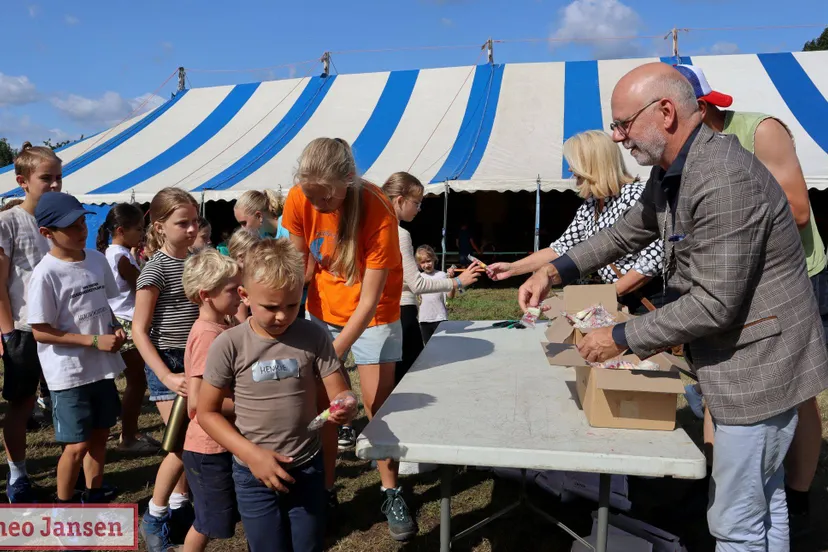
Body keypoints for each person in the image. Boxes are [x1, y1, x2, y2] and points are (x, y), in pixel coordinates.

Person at [519, 63, 828, 551]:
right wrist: (554, 269)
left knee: (734, 521)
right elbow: (624, 233)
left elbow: (713, 305)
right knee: (762, 503)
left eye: (623, 124)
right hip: (749, 359)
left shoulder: (722, 178)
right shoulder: (675, 169)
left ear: (665, 112)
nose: (618, 138)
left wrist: (619, 337)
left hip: (760, 367)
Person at [676, 63, 828, 535]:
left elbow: (799, 212)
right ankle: (740, 488)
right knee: (721, 382)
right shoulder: (688, 156)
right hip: (739, 280)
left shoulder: (760, 132)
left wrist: (726, 219)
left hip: (792, 280)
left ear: (696, 110)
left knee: (794, 393)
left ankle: (799, 494)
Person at [282, 138, 417, 541]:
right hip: (323, 311)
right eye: (311, 196)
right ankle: (325, 492)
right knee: (326, 408)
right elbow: (298, 268)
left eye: (326, 197)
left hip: (373, 315)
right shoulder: (298, 198)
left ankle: (391, 490)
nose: (318, 205)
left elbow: (370, 299)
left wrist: (329, 355)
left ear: (348, 180)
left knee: (378, 408)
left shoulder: (377, 208)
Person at [197, 238, 357, 552]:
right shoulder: (229, 344)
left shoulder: (314, 336)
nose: (282, 316)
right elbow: (206, 412)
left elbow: (338, 390)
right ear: (244, 295)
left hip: (307, 466)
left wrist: (345, 404)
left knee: (308, 545)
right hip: (253, 473)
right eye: (270, 307)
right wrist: (252, 455)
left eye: (292, 305)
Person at [487, 130, 666, 313]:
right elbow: (561, 248)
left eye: (573, 163)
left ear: (592, 164)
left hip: (649, 301)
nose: (570, 170)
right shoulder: (592, 204)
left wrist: (605, 295)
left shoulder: (637, 197)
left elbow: (652, 260)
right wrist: (512, 268)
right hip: (620, 298)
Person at [27, 192, 126, 502]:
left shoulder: (96, 260)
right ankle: (65, 506)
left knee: (100, 436)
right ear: (46, 233)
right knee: (76, 445)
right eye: (71, 227)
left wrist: (116, 326)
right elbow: (40, 332)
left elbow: (104, 305)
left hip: (102, 369)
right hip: (69, 374)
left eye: (82, 222)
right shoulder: (46, 274)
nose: (81, 230)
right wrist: (93, 341)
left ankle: (93, 494)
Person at [134, 188, 201, 552]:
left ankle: (178, 508)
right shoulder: (154, 269)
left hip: (195, 360)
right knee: (182, 445)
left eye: (194, 221)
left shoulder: (195, 261)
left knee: (195, 441)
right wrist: (165, 376)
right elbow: (139, 331)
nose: (191, 229)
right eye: (182, 223)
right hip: (168, 364)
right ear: (160, 227)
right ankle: (154, 515)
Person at [0, 142, 62, 502]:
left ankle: (76, 469)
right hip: (23, 329)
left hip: (60, 329)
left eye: (58, 178)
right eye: (46, 178)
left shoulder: (62, 219)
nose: (54, 185)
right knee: (22, 404)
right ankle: (18, 475)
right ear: (23, 181)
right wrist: (8, 333)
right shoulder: (8, 222)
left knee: (66, 399)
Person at [382, 171, 482, 383]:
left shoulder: (373, 228)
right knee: (411, 373)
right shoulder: (399, 234)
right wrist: (456, 282)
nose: (419, 209)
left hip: (383, 312)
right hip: (402, 310)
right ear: (400, 200)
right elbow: (416, 283)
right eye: (417, 203)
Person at [180, 248, 242, 552]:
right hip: (208, 449)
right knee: (208, 521)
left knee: (219, 515)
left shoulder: (224, 326)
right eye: (232, 289)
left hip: (220, 443)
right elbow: (197, 403)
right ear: (206, 294)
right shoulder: (208, 336)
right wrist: (248, 404)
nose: (240, 294)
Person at [97, 203, 159, 454]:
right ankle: (128, 436)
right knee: (136, 381)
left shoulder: (114, 254)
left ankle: (129, 431)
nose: (142, 234)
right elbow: (142, 287)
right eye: (138, 229)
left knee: (135, 381)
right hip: (127, 322)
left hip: (124, 320)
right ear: (121, 230)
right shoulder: (121, 257)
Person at [234, 189, 308, 318]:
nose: (243, 229)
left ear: (259, 216)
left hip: (300, 304)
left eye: (244, 223)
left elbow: (303, 270)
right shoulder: (264, 237)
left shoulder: (289, 227)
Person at [415, 245, 456, 344]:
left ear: (434, 259)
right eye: (423, 262)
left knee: (442, 346)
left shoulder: (442, 275)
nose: (426, 265)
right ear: (419, 264)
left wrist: (451, 280)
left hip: (440, 318)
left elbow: (450, 295)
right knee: (428, 348)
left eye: (428, 261)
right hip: (424, 319)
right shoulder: (418, 278)